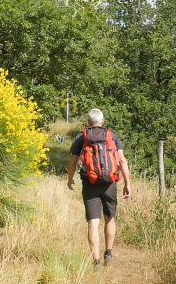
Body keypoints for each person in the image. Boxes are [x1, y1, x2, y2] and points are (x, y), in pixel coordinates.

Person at [67, 108, 131, 270]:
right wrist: (127, 184)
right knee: (110, 218)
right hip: (110, 182)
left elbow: (73, 162)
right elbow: (122, 161)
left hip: (90, 183)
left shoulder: (82, 138)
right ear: (102, 122)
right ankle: (108, 253)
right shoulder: (112, 137)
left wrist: (70, 179)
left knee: (93, 222)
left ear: (88, 123)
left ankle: (96, 261)